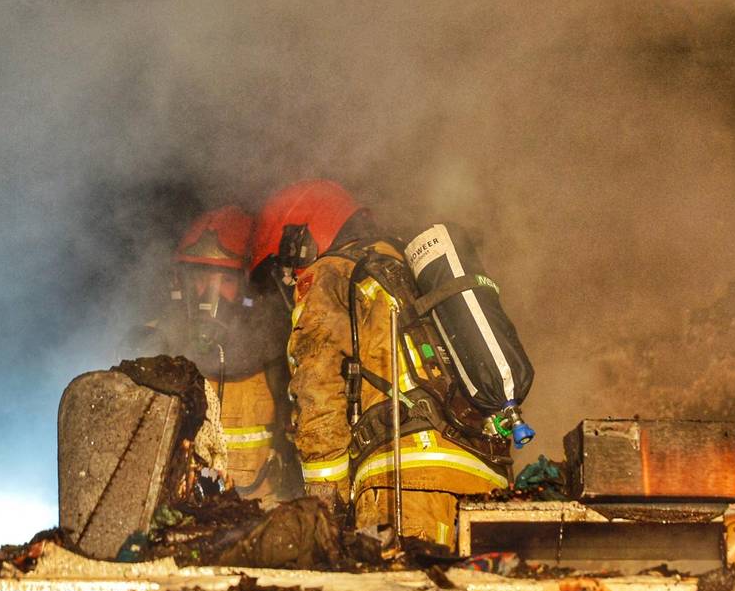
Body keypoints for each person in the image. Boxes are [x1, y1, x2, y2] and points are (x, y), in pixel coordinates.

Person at [249, 180, 510, 548]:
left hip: (404, 483)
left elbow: (317, 394)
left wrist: (325, 507)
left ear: (302, 240)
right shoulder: (403, 266)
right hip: (486, 479)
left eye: (287, 267)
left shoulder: (329, 275)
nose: (290, 280)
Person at [157, 205, 299, 504]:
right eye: (201, 278)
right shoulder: (160, 346)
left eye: (227, 281)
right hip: (188, 515)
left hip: (263, 519)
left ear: (249, 286)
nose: (211, 292)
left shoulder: (277, 352)